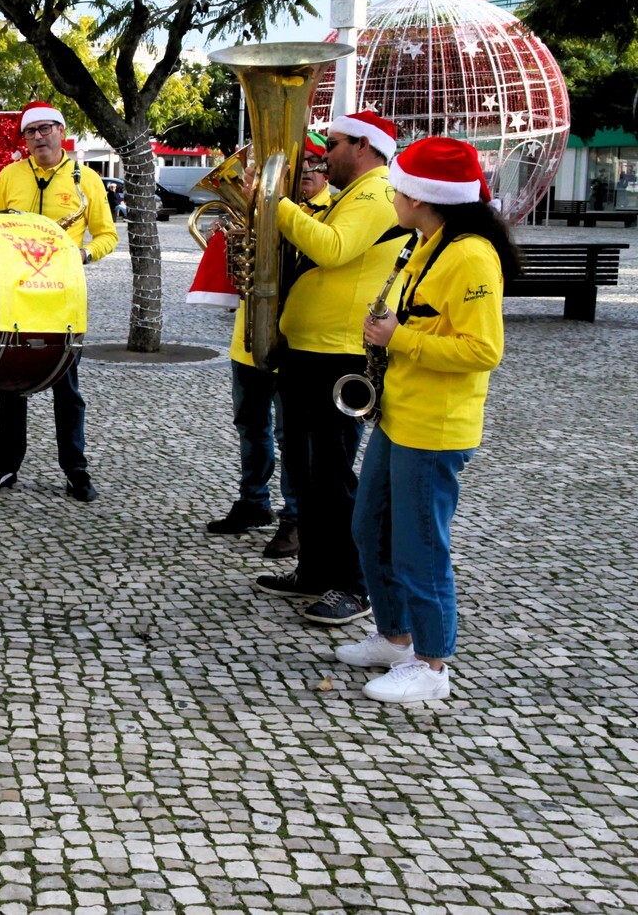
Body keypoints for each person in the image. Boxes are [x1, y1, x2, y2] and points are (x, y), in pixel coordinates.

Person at [335, 136, 514, 704]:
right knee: (369, 527)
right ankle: (394, 635)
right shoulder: (427, 242)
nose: (391, 194)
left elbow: (484, 350)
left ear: (421, 196)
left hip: (434, 427)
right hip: (399, 415)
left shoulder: (469, 255)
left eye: (398, 188)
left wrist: (399, 337)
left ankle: (432, 664)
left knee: (419, 547)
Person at [254, 110, 407, 625]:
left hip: (339, 354)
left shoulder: (377, 194)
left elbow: (334, 249)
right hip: (310, 350)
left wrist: (275, 204)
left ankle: (356, 585)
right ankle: (315, 570)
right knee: (305, 471)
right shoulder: (353, 195)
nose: (324, 154)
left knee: (334, 476)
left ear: (363, 146)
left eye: (334, 144)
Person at [0, 100, 117, 502]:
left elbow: (107, 234)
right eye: (30, 132)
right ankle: (6, 465)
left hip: (62, 294)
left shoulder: (86, 179)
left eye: (45, 129)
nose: (38, 137)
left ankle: (76, 470)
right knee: (10, 380)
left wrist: (83, 254)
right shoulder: (10, 174)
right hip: (15, 290)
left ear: (61, 130)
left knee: (66, 387)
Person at [204, 133, 331, 559]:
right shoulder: (257, 210)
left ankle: (295, 519)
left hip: (297, 343)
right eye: (303, 165)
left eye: (315, 163)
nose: (308, 173)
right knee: (250, 427)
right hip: (249, 339)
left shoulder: (334, 213)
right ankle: (254, 503)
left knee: (289, 433)